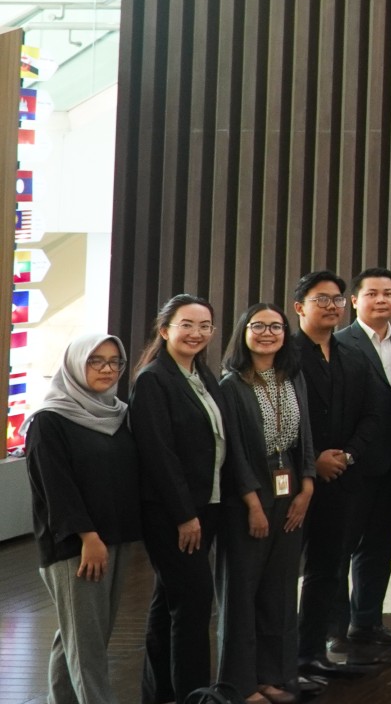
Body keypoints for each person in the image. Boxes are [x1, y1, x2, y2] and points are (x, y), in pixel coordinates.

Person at [133, 294, 245, 704]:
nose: (197, 333)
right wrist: (184, 515)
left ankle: (161, 693)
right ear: (165, 330)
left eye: (205, 326)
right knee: (195, 603)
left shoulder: (203, 375)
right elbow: (158, 455)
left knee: (170, 600)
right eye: (187, 325)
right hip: (174, 513)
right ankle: (195, 695)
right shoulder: (153, 380)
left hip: (207, 505)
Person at [26, 333, 139, 704]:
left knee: (81, 634)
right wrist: (88, 537)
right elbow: (55, 488)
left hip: (115, 537)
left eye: (114, 362)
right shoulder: (49, 420)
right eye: (96, 361)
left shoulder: (117, 414)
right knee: (86, 644)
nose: (107, 369)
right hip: (75, 545)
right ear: (75, 364)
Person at [217, 303, 317, 704]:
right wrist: (252, 504)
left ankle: (274, 676)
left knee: (280, 589)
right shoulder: (231, 385)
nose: (267, 333)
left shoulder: (292, 377)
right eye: (258, 326)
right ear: (243, 333)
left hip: (289, 490)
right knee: (242, 593)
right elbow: (233, 453)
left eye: (276, 327)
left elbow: (305, 437)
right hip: (249, 498)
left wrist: (307, 487)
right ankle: (241, 684)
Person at [289, 271, 386, 682]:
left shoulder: (352, 354)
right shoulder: (285, 354)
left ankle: (312, 654)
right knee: (284, 575)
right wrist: (313, 462)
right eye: (322, 299)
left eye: (338, 300)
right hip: (295, 484)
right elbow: (278, 419)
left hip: (343, 478)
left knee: (328, 570)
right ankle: (280, 662)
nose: (332, 307)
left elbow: (373, 413)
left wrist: (347, 455)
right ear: (300, 307)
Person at [338, 267, 391, 652]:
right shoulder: (340, 343)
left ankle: (366, 623)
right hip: (352, 466)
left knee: (379, 549)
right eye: (372, 293)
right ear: (355, 300)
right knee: (340, 552)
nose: (381, 300)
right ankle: (336, 630)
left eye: (388, 293)